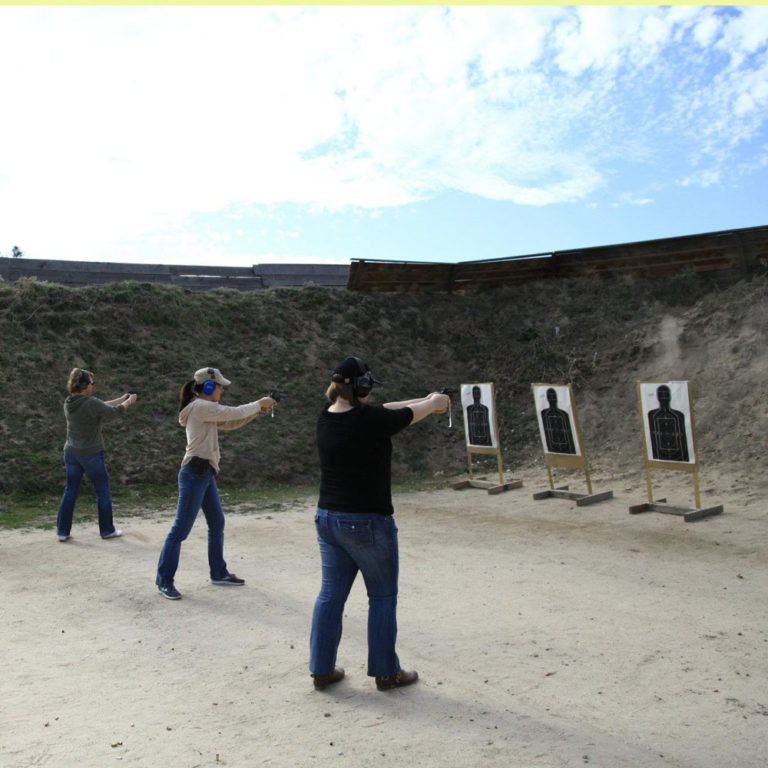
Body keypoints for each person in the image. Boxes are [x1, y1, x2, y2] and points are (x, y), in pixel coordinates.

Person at [309, 356, 449, 691]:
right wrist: (434, 403)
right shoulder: (370, 421)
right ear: (361, 387)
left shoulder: (326, 416)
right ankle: (386, 673)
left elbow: (388, 408)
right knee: (383, 597)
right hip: (367, 522)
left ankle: (321, 669)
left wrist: (427, 399)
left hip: (327, 519)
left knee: (330, 596)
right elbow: (403, 414)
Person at [155, 367, 276, 600]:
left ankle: (218, 573)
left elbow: (230, 422)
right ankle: (164, 581)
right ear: (209, 387)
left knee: (217, 523)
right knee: (180, 530)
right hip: (194, 474)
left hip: (204, 473)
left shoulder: (204, 409)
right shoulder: (201, 407)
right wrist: (258, 404)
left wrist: (257, 411)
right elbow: (233, 412)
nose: (222, 390)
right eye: (219, 386)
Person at [56, 367, 137, 542]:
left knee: (70, 491)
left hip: (71, 453)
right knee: (102, 490)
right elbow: (113, 412)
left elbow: (101, 405)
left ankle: (62, 531)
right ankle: (107, 530)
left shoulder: (69, 402)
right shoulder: (90, 403)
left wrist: (121, 398)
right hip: (91, 454)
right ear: (85, 386)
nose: (93, 386)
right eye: (92, 383)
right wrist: (129, 402)